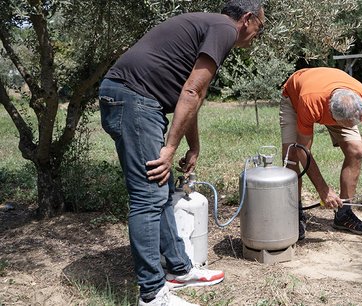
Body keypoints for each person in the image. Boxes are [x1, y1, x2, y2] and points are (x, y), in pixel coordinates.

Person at [98, 1, 265, 305]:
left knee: (159, 192)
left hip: (134, 99)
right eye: (260, 27)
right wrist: (171, 148)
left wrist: (194, 145)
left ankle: (179, 270)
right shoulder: (225, 28)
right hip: (133, 100)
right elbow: (192, 92)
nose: (258, 34)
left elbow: (190, 97)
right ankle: (151, 294)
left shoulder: (212, 26)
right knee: (147, 197)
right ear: (247, 18)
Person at [280, 67, 362, 240]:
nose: (351, 128)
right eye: (346, 124)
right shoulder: (310, 102)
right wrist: (324, 190)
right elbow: (303, 151)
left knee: (356, 150)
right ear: (331, 114)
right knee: (291, 156)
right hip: (295, 97)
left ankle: (344, 214)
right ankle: (294, 214)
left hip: (333, 100)